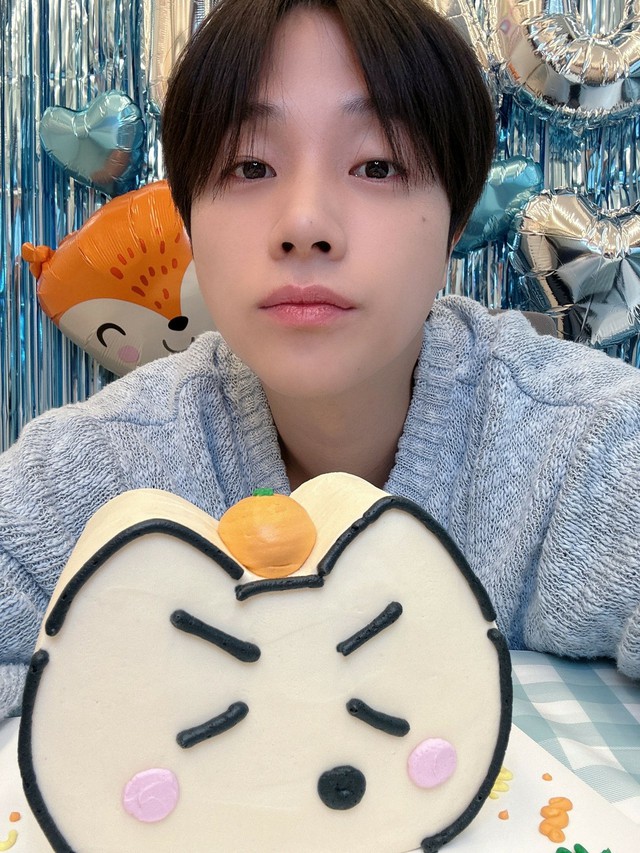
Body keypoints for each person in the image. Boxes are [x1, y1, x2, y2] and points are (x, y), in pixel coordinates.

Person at [1, 0, 639, 721]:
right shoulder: (112, 465)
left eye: (376, 165)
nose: (304, 225)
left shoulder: (577, 445)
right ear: (190, 221)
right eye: (250, 166)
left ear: (455, 220)